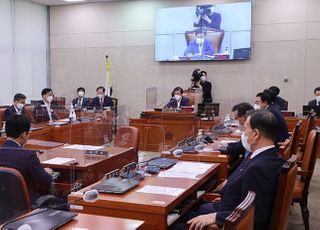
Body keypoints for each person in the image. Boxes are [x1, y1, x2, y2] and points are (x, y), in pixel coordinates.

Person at [185, 110, 285, 230]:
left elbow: (256, 217)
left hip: (227, 219)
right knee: (192, 209)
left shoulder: (258, 169)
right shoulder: (271, 157)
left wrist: (217, 217)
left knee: (176, 222)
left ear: (256, 134)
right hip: (226, 206)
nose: (243, 133)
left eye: (245, 129)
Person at [0, 115, 53, 205]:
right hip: (25, 206)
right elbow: (46, 180)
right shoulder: (28, 155)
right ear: (24, 134)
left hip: (4, 206)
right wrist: (48, 173)